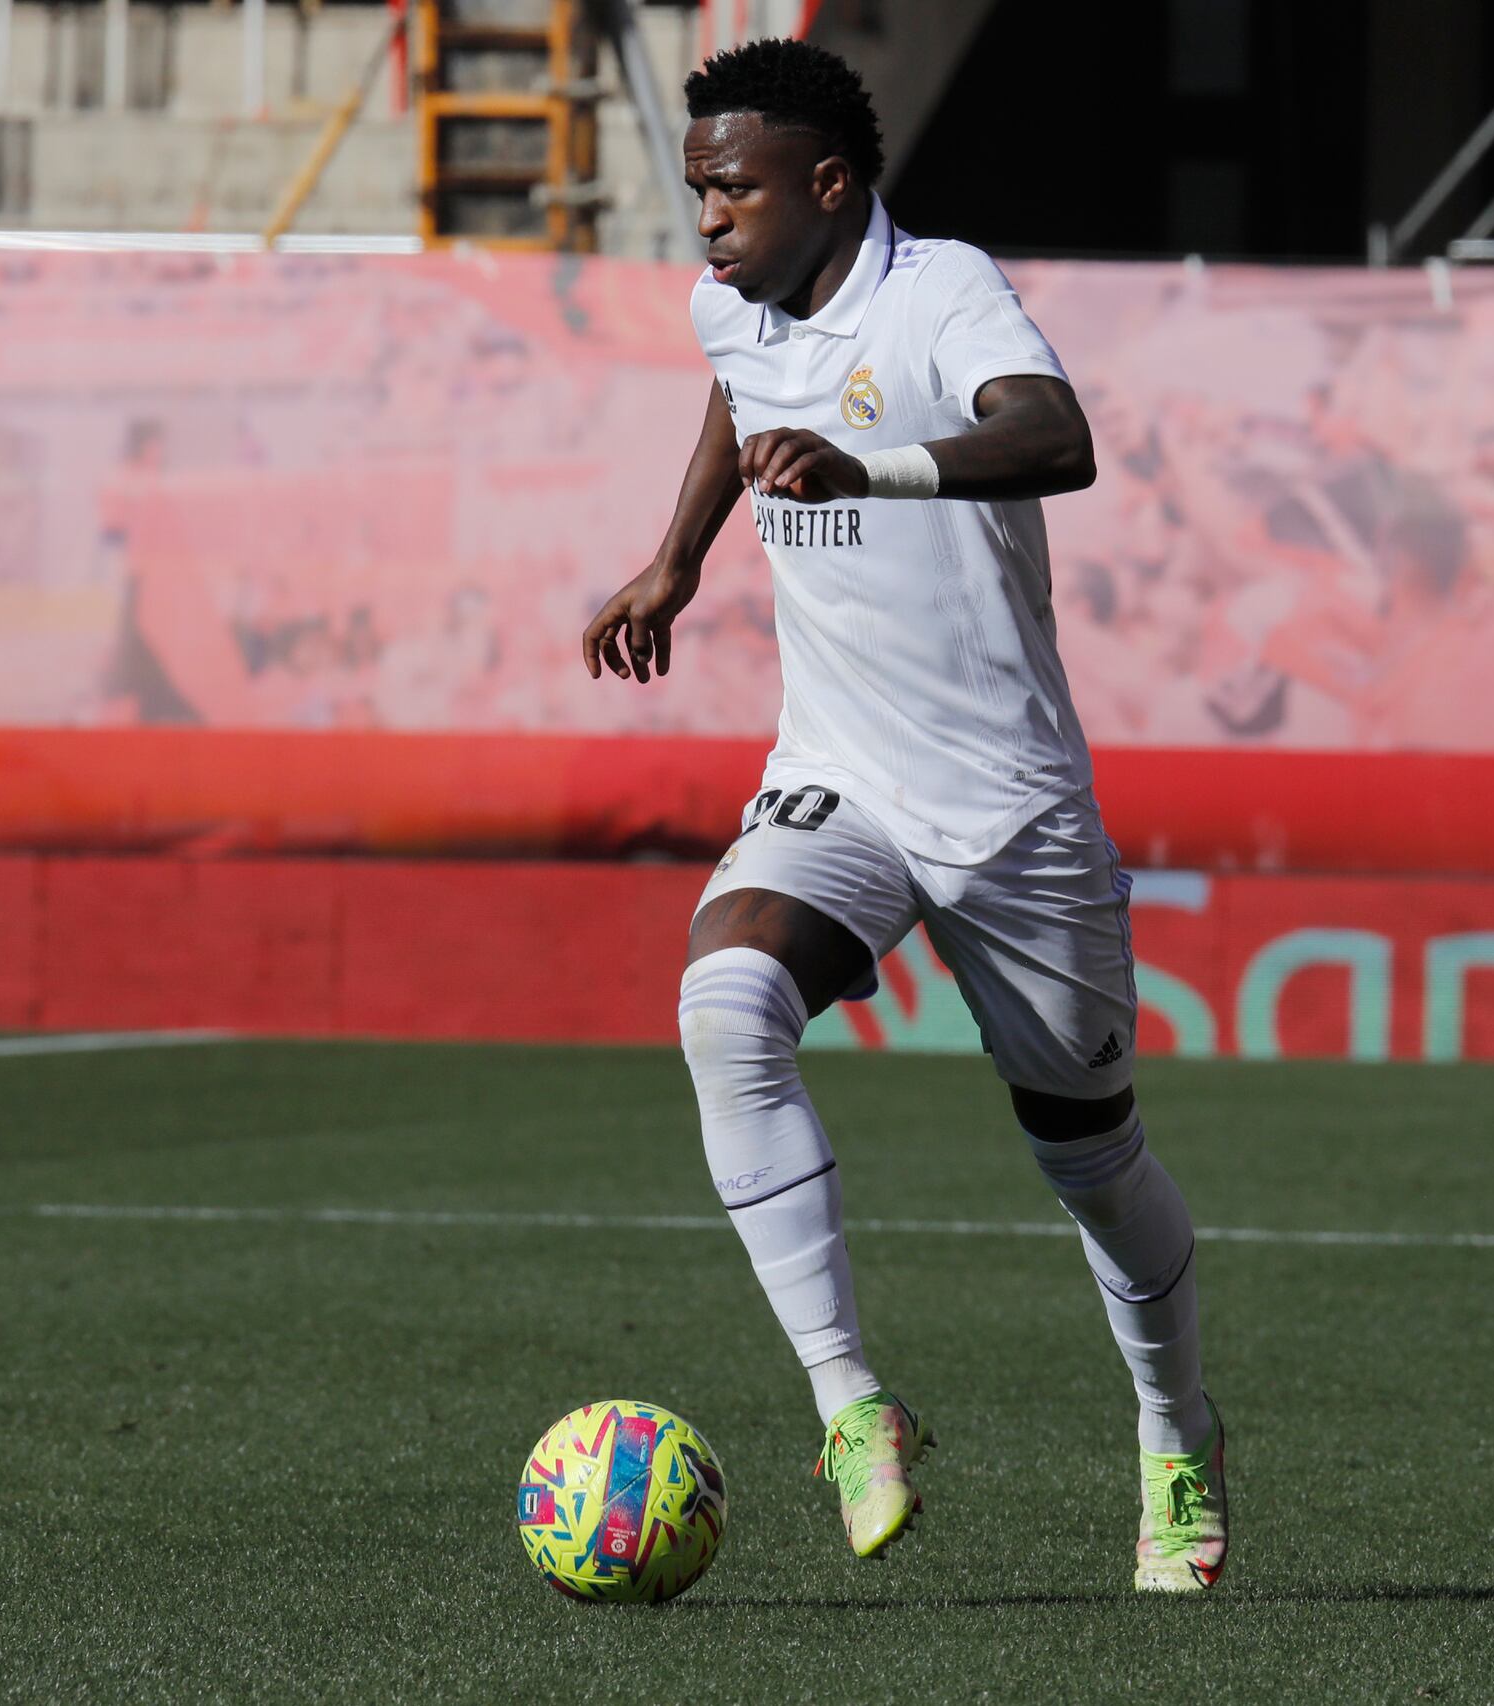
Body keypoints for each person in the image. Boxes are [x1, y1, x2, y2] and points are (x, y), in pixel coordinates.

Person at [581, 38, 1226, 1591]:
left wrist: (870, 462)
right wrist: (677, 557)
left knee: (1091, 1158)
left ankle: (1178, 1434)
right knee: (726, 1001)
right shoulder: (729, 304)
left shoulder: (940, 288)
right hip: (840, 773)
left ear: (829, 186)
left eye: (731, 192)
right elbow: (739, 403)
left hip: (1008, 808)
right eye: (694, 193)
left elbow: (1055, 437)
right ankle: (851, 1405)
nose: (707, 224)